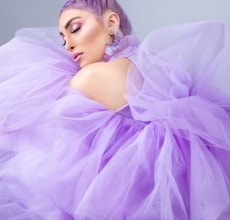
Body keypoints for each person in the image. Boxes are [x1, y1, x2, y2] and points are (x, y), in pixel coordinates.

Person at [0, 0, 230, 219]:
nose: (68, 44)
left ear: (111, 22)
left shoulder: (91, 77)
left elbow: (38, 146)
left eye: (76, 28)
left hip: (112, 201)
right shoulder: (153, 69)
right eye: (63, 38)